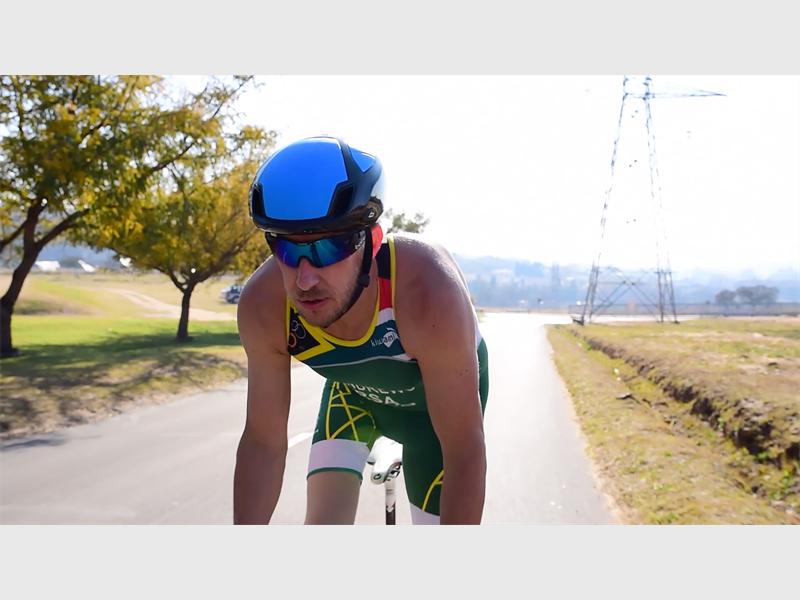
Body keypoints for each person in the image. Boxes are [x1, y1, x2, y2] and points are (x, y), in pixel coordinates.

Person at [233, 136, 489, 525]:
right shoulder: (263, 306)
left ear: (372, 241)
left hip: (434, 423)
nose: (304, 279)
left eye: (327, 249)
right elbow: (263, 442)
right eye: (287, 249)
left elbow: (464, 452)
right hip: (353, 398)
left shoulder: (427, 293)